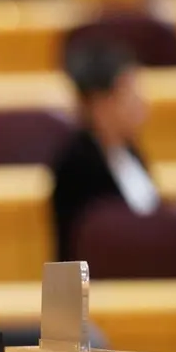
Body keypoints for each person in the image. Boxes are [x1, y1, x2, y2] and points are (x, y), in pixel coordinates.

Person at [50, 38, 159, 262]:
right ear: (99, 104)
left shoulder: (129, 150)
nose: (141, 101)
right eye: (129, 91)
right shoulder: (75, 167)